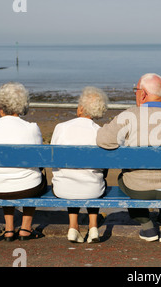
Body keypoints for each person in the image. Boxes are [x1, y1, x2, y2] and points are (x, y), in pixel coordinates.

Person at [97, 73, 161, 244]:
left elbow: (103, 140)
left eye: (136, 90)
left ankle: (147, 225)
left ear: (143, 94)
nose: (135, 94)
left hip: (137, 187)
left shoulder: (130, 115)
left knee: (122, 179)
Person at [0, 82, 47, 241]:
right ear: (22, 104)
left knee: (5, 171)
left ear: (1, 104)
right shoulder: (31, 127)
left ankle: (9, 229)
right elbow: (40, 160)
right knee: (35, 173)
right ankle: (26, 227)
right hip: (28, 188)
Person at [51, 86, 108, 243]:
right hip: (93, 189)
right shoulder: (100, 131)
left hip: (63, 188)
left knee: (71, 173)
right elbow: (103, 166)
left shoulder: (60, 128)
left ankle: (73, 227)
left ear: (82, 108)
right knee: (95, 176)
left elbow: (54, 160)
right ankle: (94, 227)